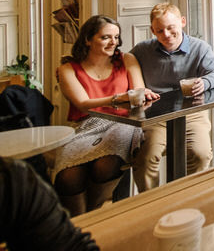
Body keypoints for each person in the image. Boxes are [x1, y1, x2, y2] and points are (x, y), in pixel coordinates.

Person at [53, 14, 157, 216]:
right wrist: (117, 98)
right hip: (87, 125)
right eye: (106, 37)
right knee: (68, 177)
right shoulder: (68, 69)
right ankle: (75, 223)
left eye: (116, 37)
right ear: (87, 39)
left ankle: (88, 219)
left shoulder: (127, 59)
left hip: (125, 122)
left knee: (105, 165)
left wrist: (136, 97)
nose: (113, 42)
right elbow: (83, 105)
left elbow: (139, 92)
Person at [130, 2, 214, 191]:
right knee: (145, 158)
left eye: (170, 28)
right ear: (152, 30)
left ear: (183, 22)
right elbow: (117, 62)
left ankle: (187, 195)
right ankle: (152, 203)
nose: (165, 35)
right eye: (159, 31)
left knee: (200, 153)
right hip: (156, 117)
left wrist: (204, 82)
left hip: (191, 113)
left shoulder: (200, 48)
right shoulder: (142, 50)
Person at [0, 154, 100, 250]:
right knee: (71, 176)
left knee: (106, 165)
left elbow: (69, 245)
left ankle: (89, 212)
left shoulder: (13, 181)